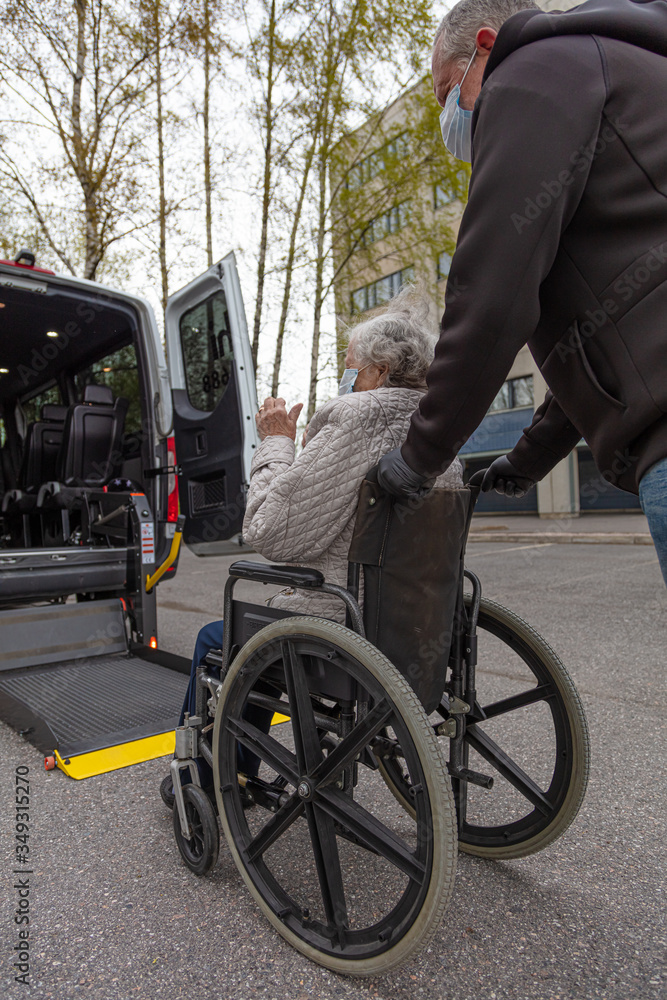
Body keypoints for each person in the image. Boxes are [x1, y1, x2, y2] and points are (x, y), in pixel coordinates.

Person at [376, 0, 667, 584]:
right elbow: (607, 342)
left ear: (487, 45)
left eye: (445, 95)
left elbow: (491, 294)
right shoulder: (617, 71)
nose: (450, 119)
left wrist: (416, 459)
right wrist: (528, 458)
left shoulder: (534, 72)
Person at [173, 287, 463, 788]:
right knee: (261, 625)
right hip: (421, 623)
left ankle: (210, 778)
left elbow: (270, 532)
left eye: (351, 366)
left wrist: (278, 442)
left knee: (216, 640)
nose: (346, 376)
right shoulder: (438, 427)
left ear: (380, 371)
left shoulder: (355, 419)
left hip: (345, 625)